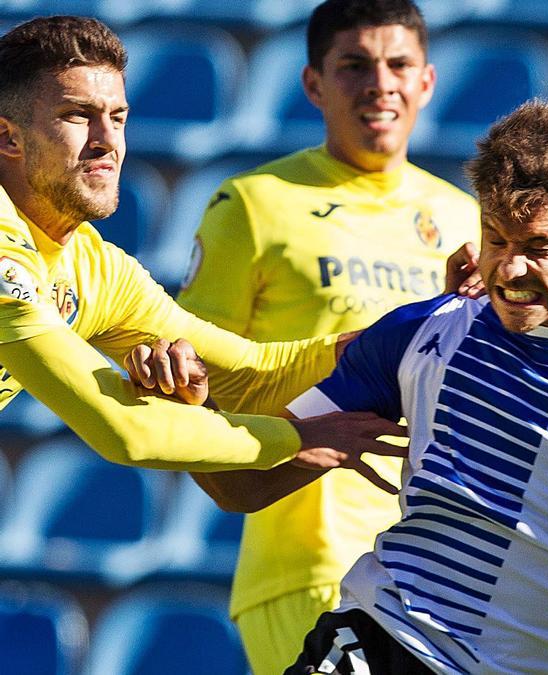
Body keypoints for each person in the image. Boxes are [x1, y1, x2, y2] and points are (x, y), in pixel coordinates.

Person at [180, 99, 548, 673]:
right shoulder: (423, 332)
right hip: (381, 642)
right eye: (497, 238)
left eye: (539, 246)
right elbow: (241, 488)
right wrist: (190, 409)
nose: (512, 268)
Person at [173, 1, 480, 670]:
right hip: (312, 559)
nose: (380, 84)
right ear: (313, 83)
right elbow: (190, 376)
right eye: (354, 65)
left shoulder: (466, 219)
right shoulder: (255, 204)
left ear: (427, 80)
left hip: (446, 564)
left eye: (398, 64)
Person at [0, 17, 400, 482]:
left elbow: (252, 375)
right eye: (77, 115)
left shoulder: (95, 268)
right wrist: (298, 440)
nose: (108, 141)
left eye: (118, 118)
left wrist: (410, 334)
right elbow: (126, 431)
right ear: (8, 136)